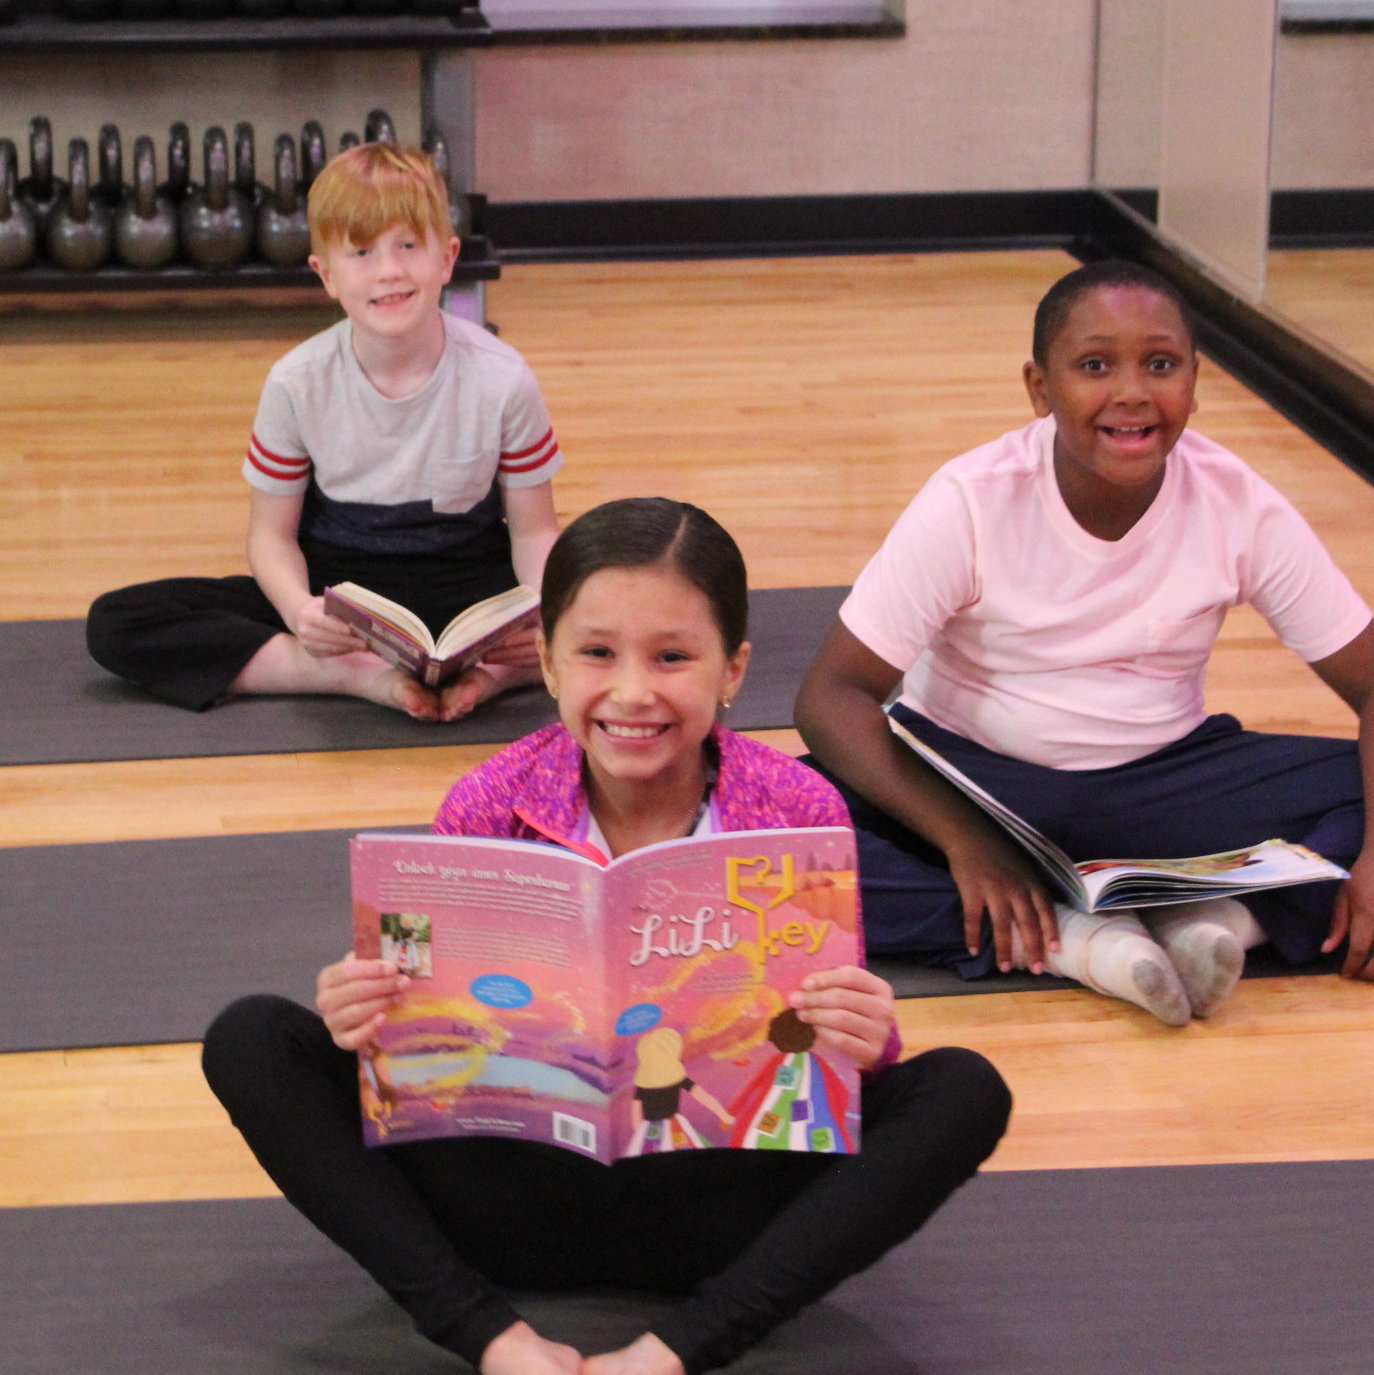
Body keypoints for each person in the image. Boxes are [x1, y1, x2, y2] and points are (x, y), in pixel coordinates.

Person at [202, 498, 1012, 1375]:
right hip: (505, 1203)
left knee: (964, 1088)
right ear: (547, 662)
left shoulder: (798, 811)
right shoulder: (487, 800)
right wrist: (364, 1017)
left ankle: (675, 1350)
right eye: (596, 652)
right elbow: (418, 1048)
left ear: (731, 668)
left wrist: (868, 1036)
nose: (633, 692)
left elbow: (818, 1060)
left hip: (716, 1210)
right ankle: (490, 1338)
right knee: (252, 1038)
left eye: (672, 656)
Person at [796, 260, 1374, 1027]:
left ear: (1195, 380)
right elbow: (831, 696)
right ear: (1040, 387)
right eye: (1096, 365)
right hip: (972, 778)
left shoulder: (1238, 503)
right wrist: (966, 840)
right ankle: (1078, 939)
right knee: (756, 835)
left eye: (1160, 364)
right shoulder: (971, 499)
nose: (1132, 391)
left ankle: (1225, 924)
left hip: (1162, 782)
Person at [86, 142, 562, 722]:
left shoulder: (503, 377)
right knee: (119, 620)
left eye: (408, 245)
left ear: (447, 258)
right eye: (361, 252)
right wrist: (299, 612)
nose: (388, 269)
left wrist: (543, 611)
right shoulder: (296, 382)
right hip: (342, 595)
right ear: (326, 274)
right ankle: (349, 677)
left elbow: (535, 534)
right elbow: (270, 538)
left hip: (468, 580)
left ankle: (488, 677)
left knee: (606, 600)